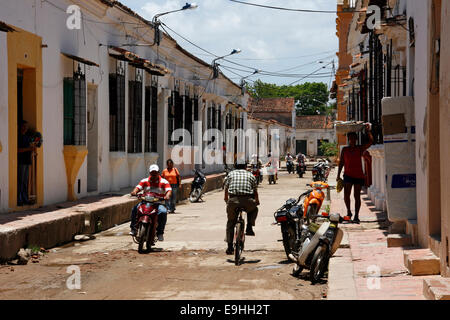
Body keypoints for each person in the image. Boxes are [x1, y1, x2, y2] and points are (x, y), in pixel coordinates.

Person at [337, 124, 374, 224]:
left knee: (356, 196)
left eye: (354, 138)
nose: (352, 140)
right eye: (350, 138)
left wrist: (368, 131)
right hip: (348, 175)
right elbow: (341, 163)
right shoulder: (345, 150)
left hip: (358, 176)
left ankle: (356, 215)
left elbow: (370, 142)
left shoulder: (359, 148)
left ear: (356, 139)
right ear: (348, 139)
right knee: (346, 195)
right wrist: (338, 175)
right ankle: (349, 212)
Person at [223, 161, 260, 255]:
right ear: (245, 167)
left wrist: (226, 199)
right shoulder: (250, 175)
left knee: (231, 222)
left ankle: (230, 247)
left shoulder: (230, 174)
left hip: (233, 200)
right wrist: (257, 201)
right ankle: (249, 226)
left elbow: (226, 188)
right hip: (248, 200)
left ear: (235, 167)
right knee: (254, 209)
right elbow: (255, 190)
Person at [129, 164, 172, 241]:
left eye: (155, 172)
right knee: (134, 209)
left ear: (158, 172)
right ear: (149, 173)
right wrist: (134, 192)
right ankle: (133, 228)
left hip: (158, 203)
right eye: (152, 172)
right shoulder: (144, 181)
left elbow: (168, 190)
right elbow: (137, 188)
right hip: (145, 202)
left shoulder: (164, 182)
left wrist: (167, 196)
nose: (154, 174)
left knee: (163, 212)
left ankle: (160, 232)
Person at [17, 120, 35, 206]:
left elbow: (30, 148)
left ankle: (25, 198)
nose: (25, 128)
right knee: (20, 180)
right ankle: (19, 198)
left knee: (25, 181)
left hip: (27, 161)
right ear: (20, 127)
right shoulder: (18, 137)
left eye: (26, 127)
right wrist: (28, 149)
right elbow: (18, 150)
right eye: (23, 126)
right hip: (21, 161)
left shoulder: (27, 137)